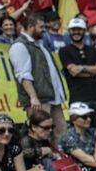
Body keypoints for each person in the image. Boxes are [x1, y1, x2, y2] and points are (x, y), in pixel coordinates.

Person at [9, 13, 68, 142]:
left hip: (52, 98)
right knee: (40, 135)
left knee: (61, 132)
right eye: (41, 27)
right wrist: (33, 97)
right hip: (39, 100)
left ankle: (62, 161)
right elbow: (23, 75)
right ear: (30, 26)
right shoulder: (19, 46)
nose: (44, 30)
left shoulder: (39, 44)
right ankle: (42, 161)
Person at [58, 18, 96, 116]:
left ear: (85, 31)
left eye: (79, 29)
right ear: (69, 31)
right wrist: (93, 71)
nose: (76, 32)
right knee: (79, 129)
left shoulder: (94, 50)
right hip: (77, 98)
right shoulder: (64, 51)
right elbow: (73, 71)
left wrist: (81, 68)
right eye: (73, 30)